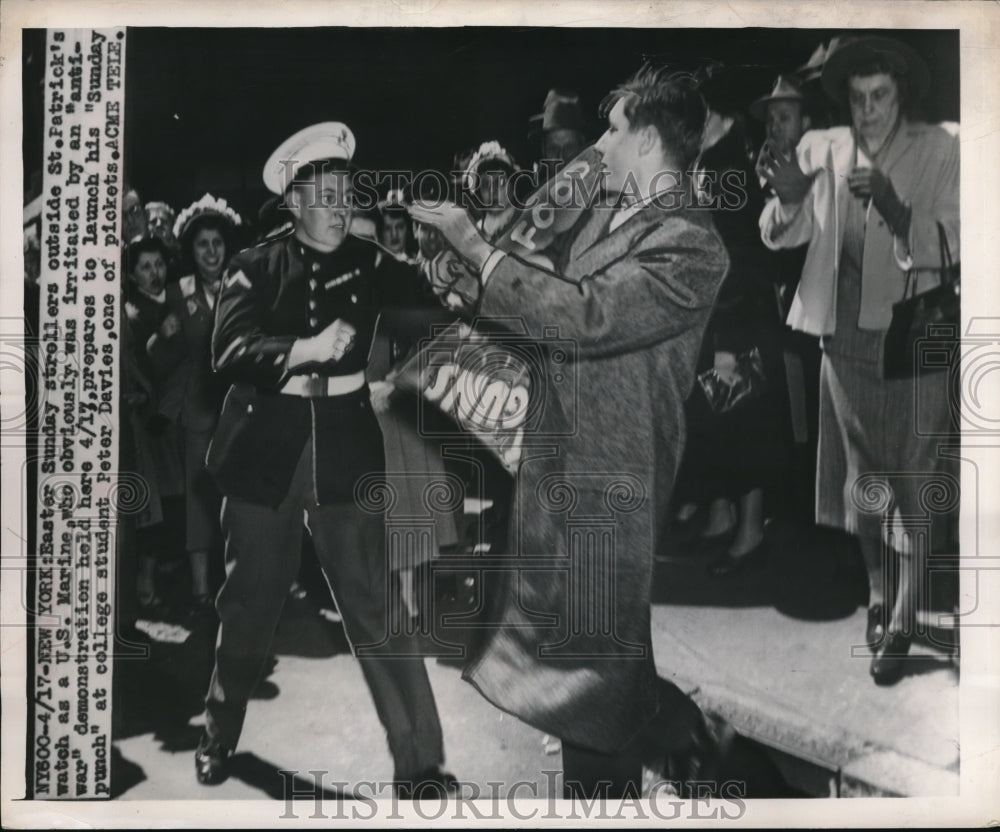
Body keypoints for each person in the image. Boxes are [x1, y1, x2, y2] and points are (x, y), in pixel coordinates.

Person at [410, 67, 730, 798]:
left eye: (613, 129)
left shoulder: (691, 243)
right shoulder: (608, 215)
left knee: (586, 679)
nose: (599, 145)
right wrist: (472, 280)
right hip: (560, 462)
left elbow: (584, 317)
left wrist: (482, 254)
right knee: (574, 665)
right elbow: (541, 300)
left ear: (647, 139)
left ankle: (691, 754)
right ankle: (696, 750)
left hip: (612, 481)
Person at [194, 122, 454, 797]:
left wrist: (456, 263)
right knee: (249, 607)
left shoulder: (371, 261)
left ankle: (421, 762)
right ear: (297, 201)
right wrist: (301, 350)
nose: (342, 207)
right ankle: (220, 731)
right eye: (329, 194)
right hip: (263, 460)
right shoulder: (255, 265)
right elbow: (227, 350)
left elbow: (434, 301)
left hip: (345, 455)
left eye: (347, 194)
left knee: (379, 609)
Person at [758, 37, 959, 685]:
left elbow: (961, 240)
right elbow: (780, 230)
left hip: (915, 337)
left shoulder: (942, 148)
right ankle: (878, 595)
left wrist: (901, 213)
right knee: (863, 485)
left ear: (903, 97)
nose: (868, 111)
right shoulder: (828, 148)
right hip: (843, 337)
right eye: (857, 98)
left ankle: (902, 621)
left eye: (881, 97)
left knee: (914, 479)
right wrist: (789, 196)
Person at [674, 64, 792, 575]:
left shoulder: (728, 164)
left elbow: (735, 251)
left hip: (740, 313)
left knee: (745, 423)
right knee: (719, 419)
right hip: (719, 314)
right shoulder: (709, 160)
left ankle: (750, 535)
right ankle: (723, 520)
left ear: (711, 114)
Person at [149, 194, 244, 611]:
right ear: (191, 250)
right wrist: (162, 337)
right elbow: (154, 358)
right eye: (202, 244)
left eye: (217, 243)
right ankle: (202, 587)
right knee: (198, 500)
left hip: (240, 411)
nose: (211, 252)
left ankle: (245, 581)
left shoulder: (243, 285)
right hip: (197, 413)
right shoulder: (176, 293)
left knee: (241, 497)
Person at [122, 235, 186, 613]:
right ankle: (146, 581)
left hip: (182, 415)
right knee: (158, 502)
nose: (154, 273)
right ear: (132, 274)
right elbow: (141, 371)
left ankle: (166, 574)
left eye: (158, 264)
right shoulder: (133, 314)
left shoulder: (177, 299)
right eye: (144, 267)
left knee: (180, 499)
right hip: (154, 420)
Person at [529, 88, 589, 178]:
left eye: (569, 147)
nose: (560, 157)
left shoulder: (600, 187)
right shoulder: (537, 188)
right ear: (544, 151)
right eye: (553, 149)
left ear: (582, 147)